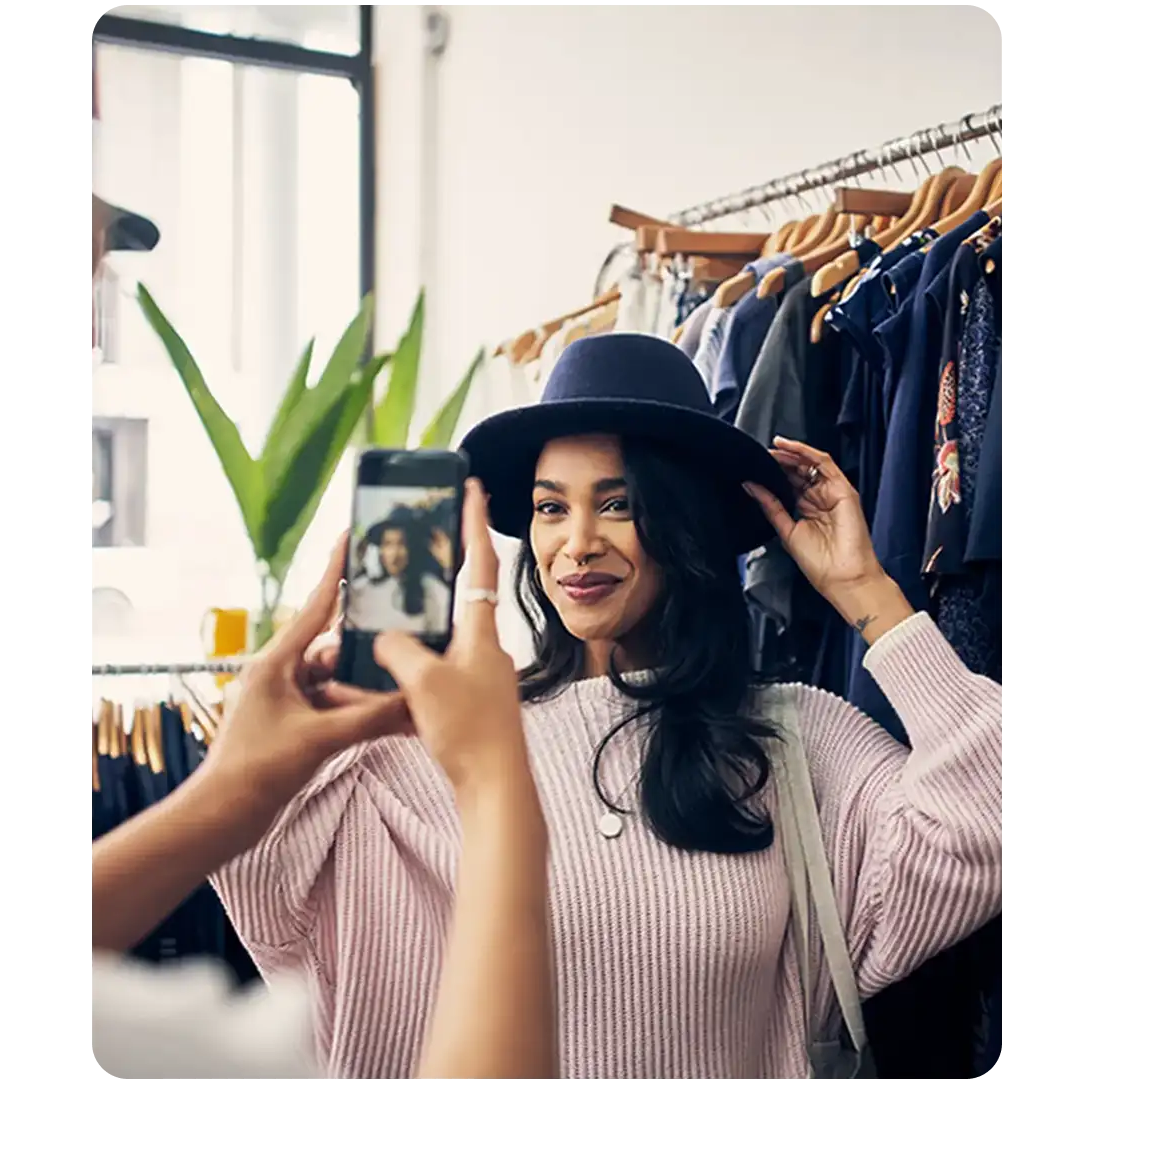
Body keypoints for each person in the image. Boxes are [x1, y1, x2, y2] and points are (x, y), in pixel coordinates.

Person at [215, 333, 1004, 1079]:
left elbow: (995, 811)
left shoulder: (798, 739)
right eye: (551, 508)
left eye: (618, 504)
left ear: (682, 523)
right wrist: (320, 699)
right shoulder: (433, 743)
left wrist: (866, 596)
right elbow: (261, 883)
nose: (578, 543)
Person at [89, 50, 555, 1080]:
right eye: (85, 259)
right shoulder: (165, 1047)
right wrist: (495, 788)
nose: (95, 309)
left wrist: (228, 793)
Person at [349, 516, 452, 635]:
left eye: (401, 544)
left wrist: (448, 564)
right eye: (387, 544)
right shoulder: (363, 588)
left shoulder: (430, 587)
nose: (395, 553)